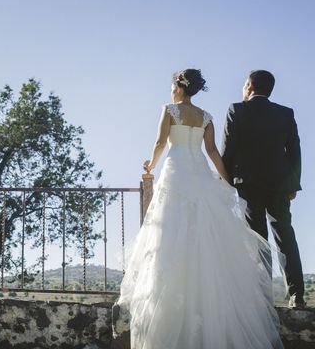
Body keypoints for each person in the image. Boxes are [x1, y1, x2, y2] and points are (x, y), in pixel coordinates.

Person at [117, 69, 283, 349]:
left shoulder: (169, 110)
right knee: (206, 237)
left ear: (178, 88)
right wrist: (227, 181)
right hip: (200, 174)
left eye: (172, 86)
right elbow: (213, 153)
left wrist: (150, 166)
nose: (171, 91)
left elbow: (160, 143)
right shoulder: (206, 117)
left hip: (176, 173)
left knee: (169, 236)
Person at [222, 70, 305, 309]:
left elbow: (228, 149)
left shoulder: (236, 110)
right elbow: (294, 152)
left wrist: (226, 182)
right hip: (279, 184)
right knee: (285, 235)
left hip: (247, 184)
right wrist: (293, 185)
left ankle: (262, 296)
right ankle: (297, 295)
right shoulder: (285, 113)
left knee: (257, 238)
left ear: (249, 86)